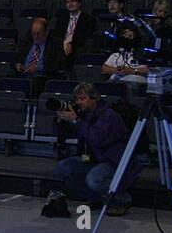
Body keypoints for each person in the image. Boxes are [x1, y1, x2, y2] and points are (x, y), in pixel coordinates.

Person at [46, 83, 140, 216]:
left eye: (83, 99)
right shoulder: (83, 114)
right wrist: (60, 121)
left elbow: (97, 138)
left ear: (95, 98)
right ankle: (97, 198)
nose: (79, 102)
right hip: (92, 158)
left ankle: (122, 199)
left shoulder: (108, 115)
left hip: (114, 161)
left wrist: (76, 121)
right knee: (63, 168)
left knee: (94, 180)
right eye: (77, 99)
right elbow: (62, 136)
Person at [47, 0, 95, 70]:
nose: (70, 4)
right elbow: (56, 34)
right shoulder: (61, 18)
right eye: (68, 2)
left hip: (77, 46)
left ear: (79, 4)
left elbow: (87, 37)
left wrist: (71, 44)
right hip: (61, 46)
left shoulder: (88, 19)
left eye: (73, 1)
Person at [15, 17, 61, 94]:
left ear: (46, 32)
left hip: (41, 77)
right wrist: (17, 64)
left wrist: (39, 67)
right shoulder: (27, 41)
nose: (35, 36)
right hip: (23, 74)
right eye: (33, 33)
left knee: (35, 83)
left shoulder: (55, 44)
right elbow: (15, 58)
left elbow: (60, 64)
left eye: (38, 33)